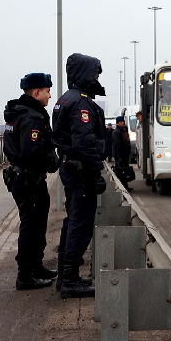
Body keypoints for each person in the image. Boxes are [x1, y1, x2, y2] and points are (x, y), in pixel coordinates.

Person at [52, 53, 108, 299]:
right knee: (81, 226)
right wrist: (96, 171)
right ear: (85, 73)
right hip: (81, 171)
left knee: (72, 221)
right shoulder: (81, 103)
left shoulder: (66, 99)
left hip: (72, 169)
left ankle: (65, 275)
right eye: (95, 73)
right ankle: (70, 280)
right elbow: (85, 142)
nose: (97, 77)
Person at [3, 73, 59, 290]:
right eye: (47, 91)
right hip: (29, 180)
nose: (49, 95)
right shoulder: (32, 117)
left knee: (36, 224)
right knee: (32, 227)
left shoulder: (16, 114)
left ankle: (35, 266)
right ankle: (26, 274)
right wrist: (52, 161)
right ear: (37, 92)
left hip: (22, 178)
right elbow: (32, 152)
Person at [112, 116, 132, 191]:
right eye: (121, 122)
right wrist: (119, 156)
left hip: (125, 153)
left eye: (123, 121)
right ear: (118, 123)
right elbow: (117, 144)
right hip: (120, 155)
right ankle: (122, 186)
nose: (123, 123)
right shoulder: (116, 132)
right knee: (121, 171)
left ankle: (125, 185)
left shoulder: (123, 130)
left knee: (125, 170)